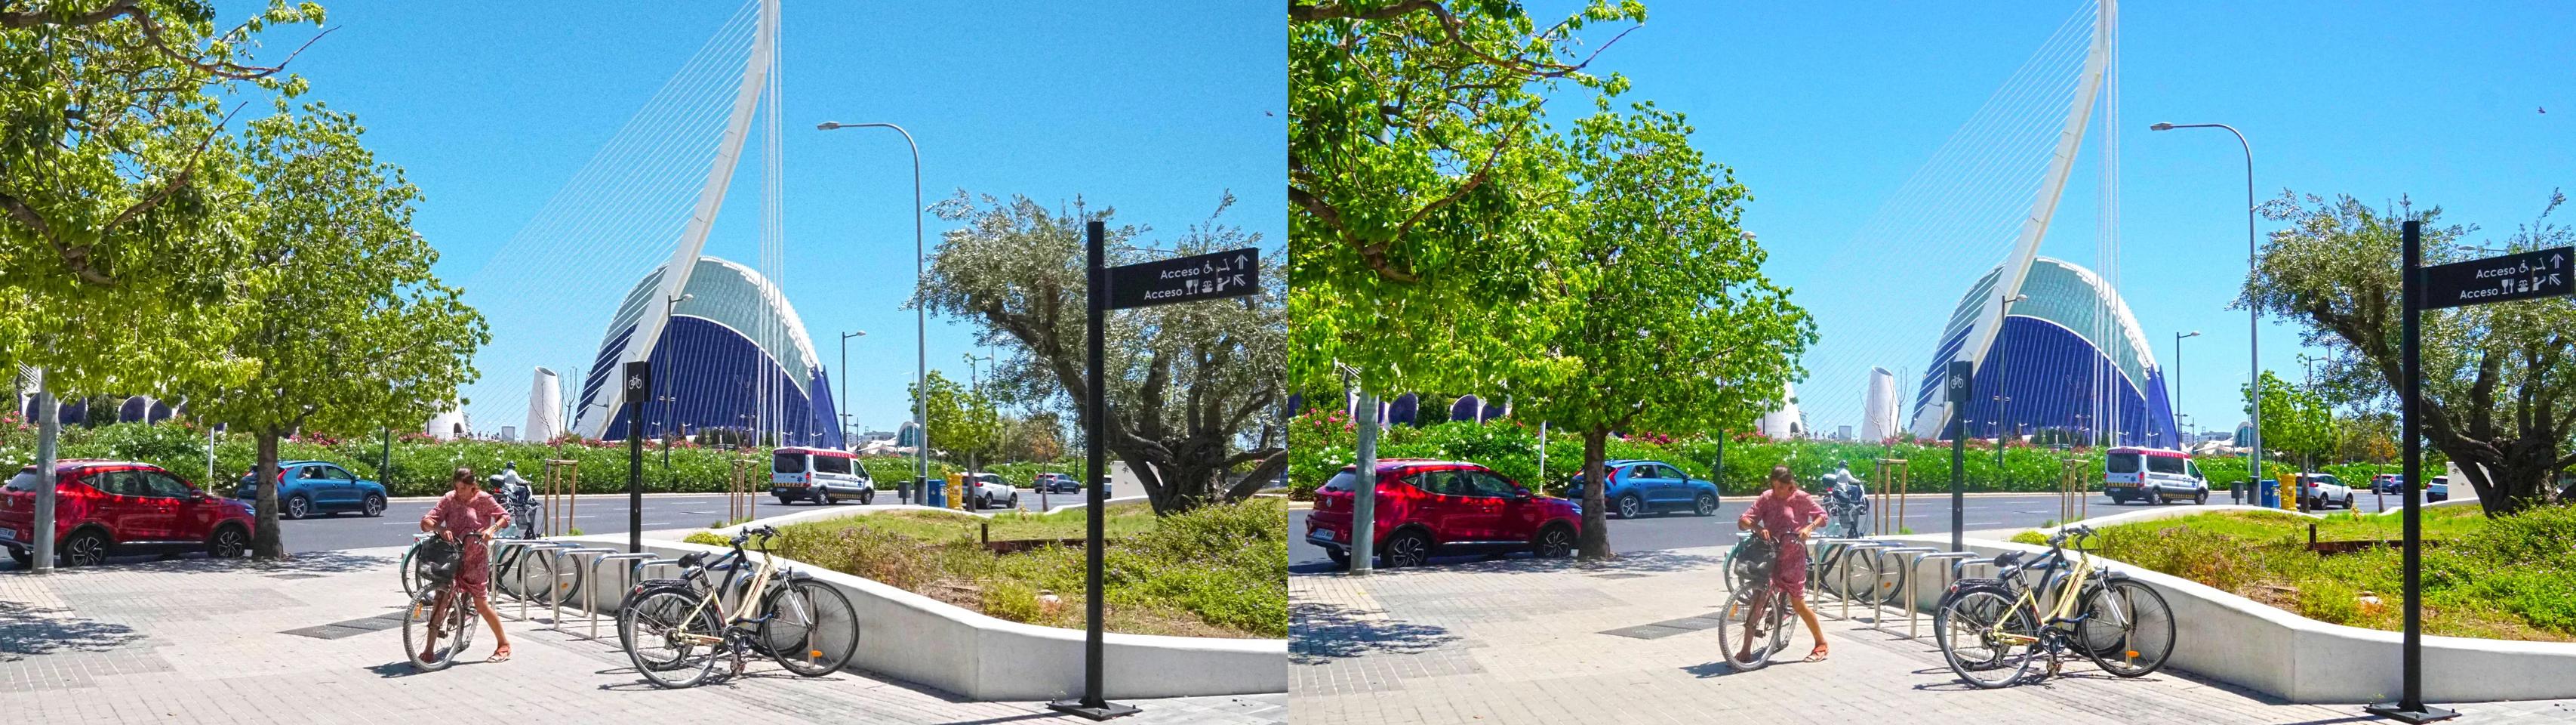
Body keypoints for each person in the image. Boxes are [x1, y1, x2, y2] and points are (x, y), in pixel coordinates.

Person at [1736, 464, 1830, 663]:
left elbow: (1823, 516)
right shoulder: (1767, 497)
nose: (1777, 491)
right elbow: (1744, 519)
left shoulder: (1801, 498)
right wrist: (1756, 527)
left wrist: (1809, 528)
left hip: (1793, 557)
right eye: (1774, 486)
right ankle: (1745, 649)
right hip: (1770, 556)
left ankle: (1821, 644)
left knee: (1798, 604)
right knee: (1758, 599)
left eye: (1781, 487)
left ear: (1790, 486)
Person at [419, 467, 514, 664]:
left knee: (481, 604)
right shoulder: (450, 498)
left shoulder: (484, 499)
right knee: (440, 600)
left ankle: (503, 645)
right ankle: (428, 651)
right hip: (452, 557)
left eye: (463, 488)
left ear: (472, 486)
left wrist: (492, 529)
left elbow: (505, 517)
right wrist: (440, 528)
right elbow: (426, 521)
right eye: (456, 487)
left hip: (475, 559)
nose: (459, 492)